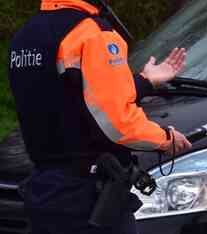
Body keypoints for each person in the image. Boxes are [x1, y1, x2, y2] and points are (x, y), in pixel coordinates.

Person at [8, 0, 192, 233]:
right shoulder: (93, 33)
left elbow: (72, 96)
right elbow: (117, 122)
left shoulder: (25, 37)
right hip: (89, 200)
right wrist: (165, 139)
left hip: (44, 193)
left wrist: (145, 80)